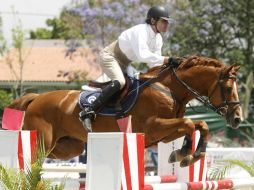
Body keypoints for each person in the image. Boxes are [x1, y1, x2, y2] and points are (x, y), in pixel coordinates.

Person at [79, 5, 180, 131]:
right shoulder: (141, 31)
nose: (166, 24)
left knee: (137, 83)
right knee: (120, 82)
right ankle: (88, 112)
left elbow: (154, 64)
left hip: (125, 63)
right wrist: (168, 59)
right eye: (164, 21)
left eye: (167, 22)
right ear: (153, 20)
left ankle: (119, 111)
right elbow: (143, 55)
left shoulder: (158, 38)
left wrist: (169, 66)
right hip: (110, 57)